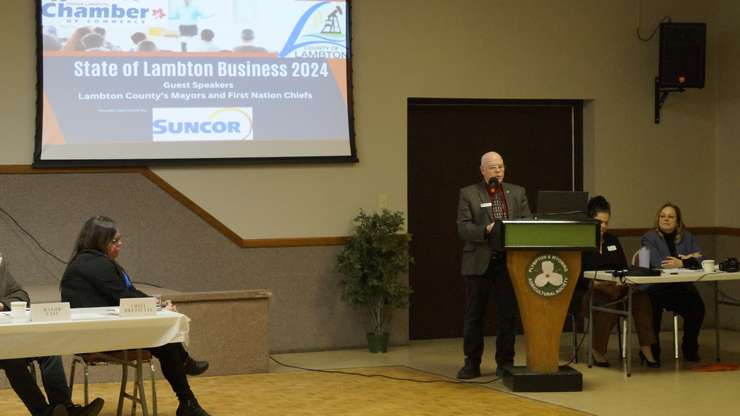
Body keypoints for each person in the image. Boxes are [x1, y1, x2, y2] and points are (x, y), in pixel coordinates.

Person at [60, 216, 210, 416]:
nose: (120, 244)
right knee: (163, 340)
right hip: (96, 338)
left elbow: (126, 294)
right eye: (115, 241)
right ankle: (187, 396)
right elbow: (125, 297)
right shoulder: (94, 264)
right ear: (99, 241)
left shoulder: (91, 260)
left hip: (103, 330)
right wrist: (159, 306)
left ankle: (187, 397)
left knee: (163, 340)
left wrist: (157, 305)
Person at [456, 151, 531, 379]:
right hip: (479, 262)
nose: (497, 171)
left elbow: (527, 222)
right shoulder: (469, 193)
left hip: (508, 263)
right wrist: (485, 230)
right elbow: (463, 228)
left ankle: (505, 362)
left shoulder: (517, 192)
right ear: (482, 170)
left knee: (507, 316)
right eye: (492, 167)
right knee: (474, 315)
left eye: (500, 167)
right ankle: (472, 363)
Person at [0, 253, 104, 416]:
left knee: (48, 348)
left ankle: (65, 408)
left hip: (7, 337)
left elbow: (21, 295)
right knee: (12, 358)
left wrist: (2, 304)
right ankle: (43, 412)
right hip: (5, 347)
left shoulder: (0, 266)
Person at [582, 196, 659, 368]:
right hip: (593, 290)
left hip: (617, 287)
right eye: (599, 222)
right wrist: (596, 283)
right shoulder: (582, 242)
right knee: (609, 303)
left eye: (606, 222)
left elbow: (624, 267)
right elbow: (578, 275)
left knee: (641, 298)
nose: (603, 226)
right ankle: (597, 350)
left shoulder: (612, 241)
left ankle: (646, 350)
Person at [641, 203, 705, 362]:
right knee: (652, 307)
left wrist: (682, 263)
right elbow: (658, 262)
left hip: (681, 286)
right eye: (662, 216)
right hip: (656, 286)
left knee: (697, 308)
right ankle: (653, 351)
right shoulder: (649, 238)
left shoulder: (687, 237)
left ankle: (689, 348)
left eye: (670, 217)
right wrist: (688, 260)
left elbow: (700, 259)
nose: (666, 219)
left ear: (678, 221)